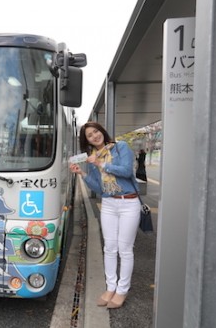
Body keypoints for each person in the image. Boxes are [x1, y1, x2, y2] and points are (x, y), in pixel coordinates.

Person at [69, 121, 140, 309]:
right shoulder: (92, 159)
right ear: (88, 141)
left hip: (129, 203)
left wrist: (102, 163)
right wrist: (82, 173)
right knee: (109, 247)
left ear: (102, 131)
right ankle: (110, 287)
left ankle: (122, 290)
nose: (94, 136)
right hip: (108, 203)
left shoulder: (120, 148)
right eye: (89, 136)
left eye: (96, 132)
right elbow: (99, 188)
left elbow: (126, 171)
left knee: (125, 249)